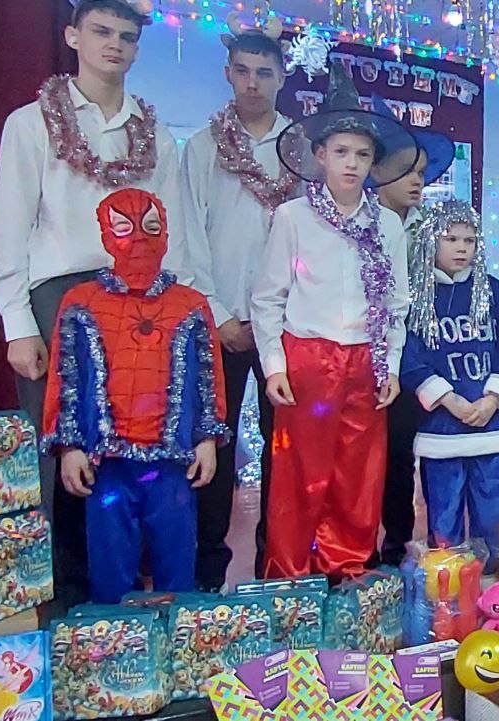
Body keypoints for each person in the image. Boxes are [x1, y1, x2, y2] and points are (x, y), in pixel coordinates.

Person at [0, 0, 187, 608]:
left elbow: (172, 227)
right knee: (59, 445)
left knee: (129, 447)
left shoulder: (153, 134)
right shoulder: (32, 123)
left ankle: (120, 596)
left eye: (127, 36)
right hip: (59, 294)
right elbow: (10, 228)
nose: (114, 45)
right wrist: (18, 323)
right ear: (73, 35)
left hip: (137, 299)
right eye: (101, 31)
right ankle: (55, 599)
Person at [250, 61, 413, 580]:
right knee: (300, 472)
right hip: (309, 357)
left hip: (366, 360)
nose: (351, 163)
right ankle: (291, 574)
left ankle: (347, 569)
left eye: (362, 154)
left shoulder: (388, 225)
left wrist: (389, 366)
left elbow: (397, 303)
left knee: (358, 474)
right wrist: (274, 366)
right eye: (341, 152)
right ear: (320, 154)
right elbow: (268, 299)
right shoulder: (293, 218)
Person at [40, 188, 228, 604]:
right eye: (124, 228)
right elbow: (65, 379)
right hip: (107, 464)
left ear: (166, 233)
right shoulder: (81, 303)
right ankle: (115, 637)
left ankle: (178, 636)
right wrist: (69, 446)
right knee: (110, 568)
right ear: (106, 236)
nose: (139, 239)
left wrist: (206, 438)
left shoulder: (190, 304)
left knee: (177, 564)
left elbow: (208, 375)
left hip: (172, 463)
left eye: (151, 227)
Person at [182, 20, 296, 590]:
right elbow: (187, 236)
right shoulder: (204, 147)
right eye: (243, 71)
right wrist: (218, 313)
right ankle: (208, 574)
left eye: (264, 73)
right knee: (214, 448)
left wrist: (281, 320)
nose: (253, 83)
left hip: (287, 327)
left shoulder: (301, 148)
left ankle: (277, 567)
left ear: (282, 78)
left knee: (285, 451)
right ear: (228, 74)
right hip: (219, 323)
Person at [400, 199, 499, 566]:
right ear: (431, 241)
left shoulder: (491, 289)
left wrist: (492, 399)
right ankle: (447, 584)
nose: (461, 248)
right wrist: (448, 399)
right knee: (444, 521)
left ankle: (495, 584)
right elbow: (409, 358)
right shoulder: (416, 293)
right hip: (442, 430)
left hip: (490, 427)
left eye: (469, 240)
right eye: (451, 239)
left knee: (494, 517)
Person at [372, 107, 457, 567]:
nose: (416, 181)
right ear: (377, 170)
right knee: (371, 458)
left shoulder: (428, 232)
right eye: (406, 170)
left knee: (406, 455)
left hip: (418, 360)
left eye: (421, 172)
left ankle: (400, 544)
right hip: (368, 356)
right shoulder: (361, 225)